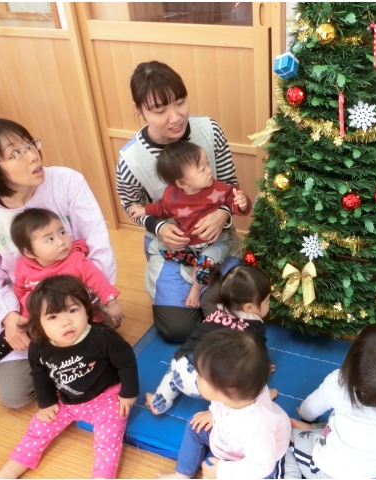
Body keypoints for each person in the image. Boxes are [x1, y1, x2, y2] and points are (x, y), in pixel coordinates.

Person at [0, 118, 116, 408]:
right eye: (15, 153)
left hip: (76, 297)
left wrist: (86, 301)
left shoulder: (66, 182)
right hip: (24, 308)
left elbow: (98, 246)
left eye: (29, 144)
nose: (33, 156)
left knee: (102, 355)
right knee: (14, 396)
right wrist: (9, 317)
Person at [117, 60, 243, 343]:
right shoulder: (131, 158)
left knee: (229, 311)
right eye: (160, 110)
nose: (175, 117)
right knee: (178, 330)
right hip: (171, 248)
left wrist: (223, 213)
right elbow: (132, 207)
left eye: (180, 102)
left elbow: (230, 184)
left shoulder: (210, 130)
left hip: (216, 241)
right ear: (139, 110)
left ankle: (211, 293)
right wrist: (159, 227)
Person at [0, 275, 138, 479]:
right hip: (66, 401)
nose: (66, 321)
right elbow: (39, 375)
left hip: (106, 398)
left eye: (73, 310)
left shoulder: (103, 337)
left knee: (107, 442)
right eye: (52, 317)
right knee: (37, 430)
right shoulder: (39, 346)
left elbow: (127, 362)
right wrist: (46, 403)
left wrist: (128, 393)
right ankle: (7, 473)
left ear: (86, 310)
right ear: (39, 324)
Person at [0, 208, 124, 385]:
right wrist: (22, 316)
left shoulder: (76, 261)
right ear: (29, 252)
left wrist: (111, 303)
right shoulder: (23, 266)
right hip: (40, 319)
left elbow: (98, 281)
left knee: (91, 341)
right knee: (7, 338)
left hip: (73, 318)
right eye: (50, 239)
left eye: (62, 233)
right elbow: (20, 291)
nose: (61, 242)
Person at [283, 323, 376, 479]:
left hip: (331, 473)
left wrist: (303, 414)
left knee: (285, 439)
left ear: (352, 361)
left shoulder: (339, 382)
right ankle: (312, 429)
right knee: (345, 425)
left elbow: (310, 409)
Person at [128, 141, 250, 308]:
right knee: (168, 251)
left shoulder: (220, 189)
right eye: (202, 169)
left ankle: (196, 288)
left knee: (207, 262)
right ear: (182, 183)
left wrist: (242, 203)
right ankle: (195, 263)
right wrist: (144, 210)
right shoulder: (172, 195)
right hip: (190, 244)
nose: (209, 170)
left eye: (208, 164)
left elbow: (235, 202)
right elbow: (162, 208)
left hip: (218, 241)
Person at [157, 328, 291, 479]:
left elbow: (261, 466)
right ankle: (181, 475)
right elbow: (220, 401)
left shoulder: (255, 428)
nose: (195, 378)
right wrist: (213, 412)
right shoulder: (244, 389)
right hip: (229, 439)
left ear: (229, 391)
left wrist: (221, 471)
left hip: (256, 458)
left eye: (200, 376)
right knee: (195, 426)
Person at [145, 265, 271, 414]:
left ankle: (159, 401)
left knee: (178, 367)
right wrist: (263, 367)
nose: (269, 304)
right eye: (267, 301)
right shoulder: (254, 327)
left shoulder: (217, 311)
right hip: (205, 384)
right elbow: (257, 354)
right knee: (239, 379)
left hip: (179, 364)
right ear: (249, 308)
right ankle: (217, 412)